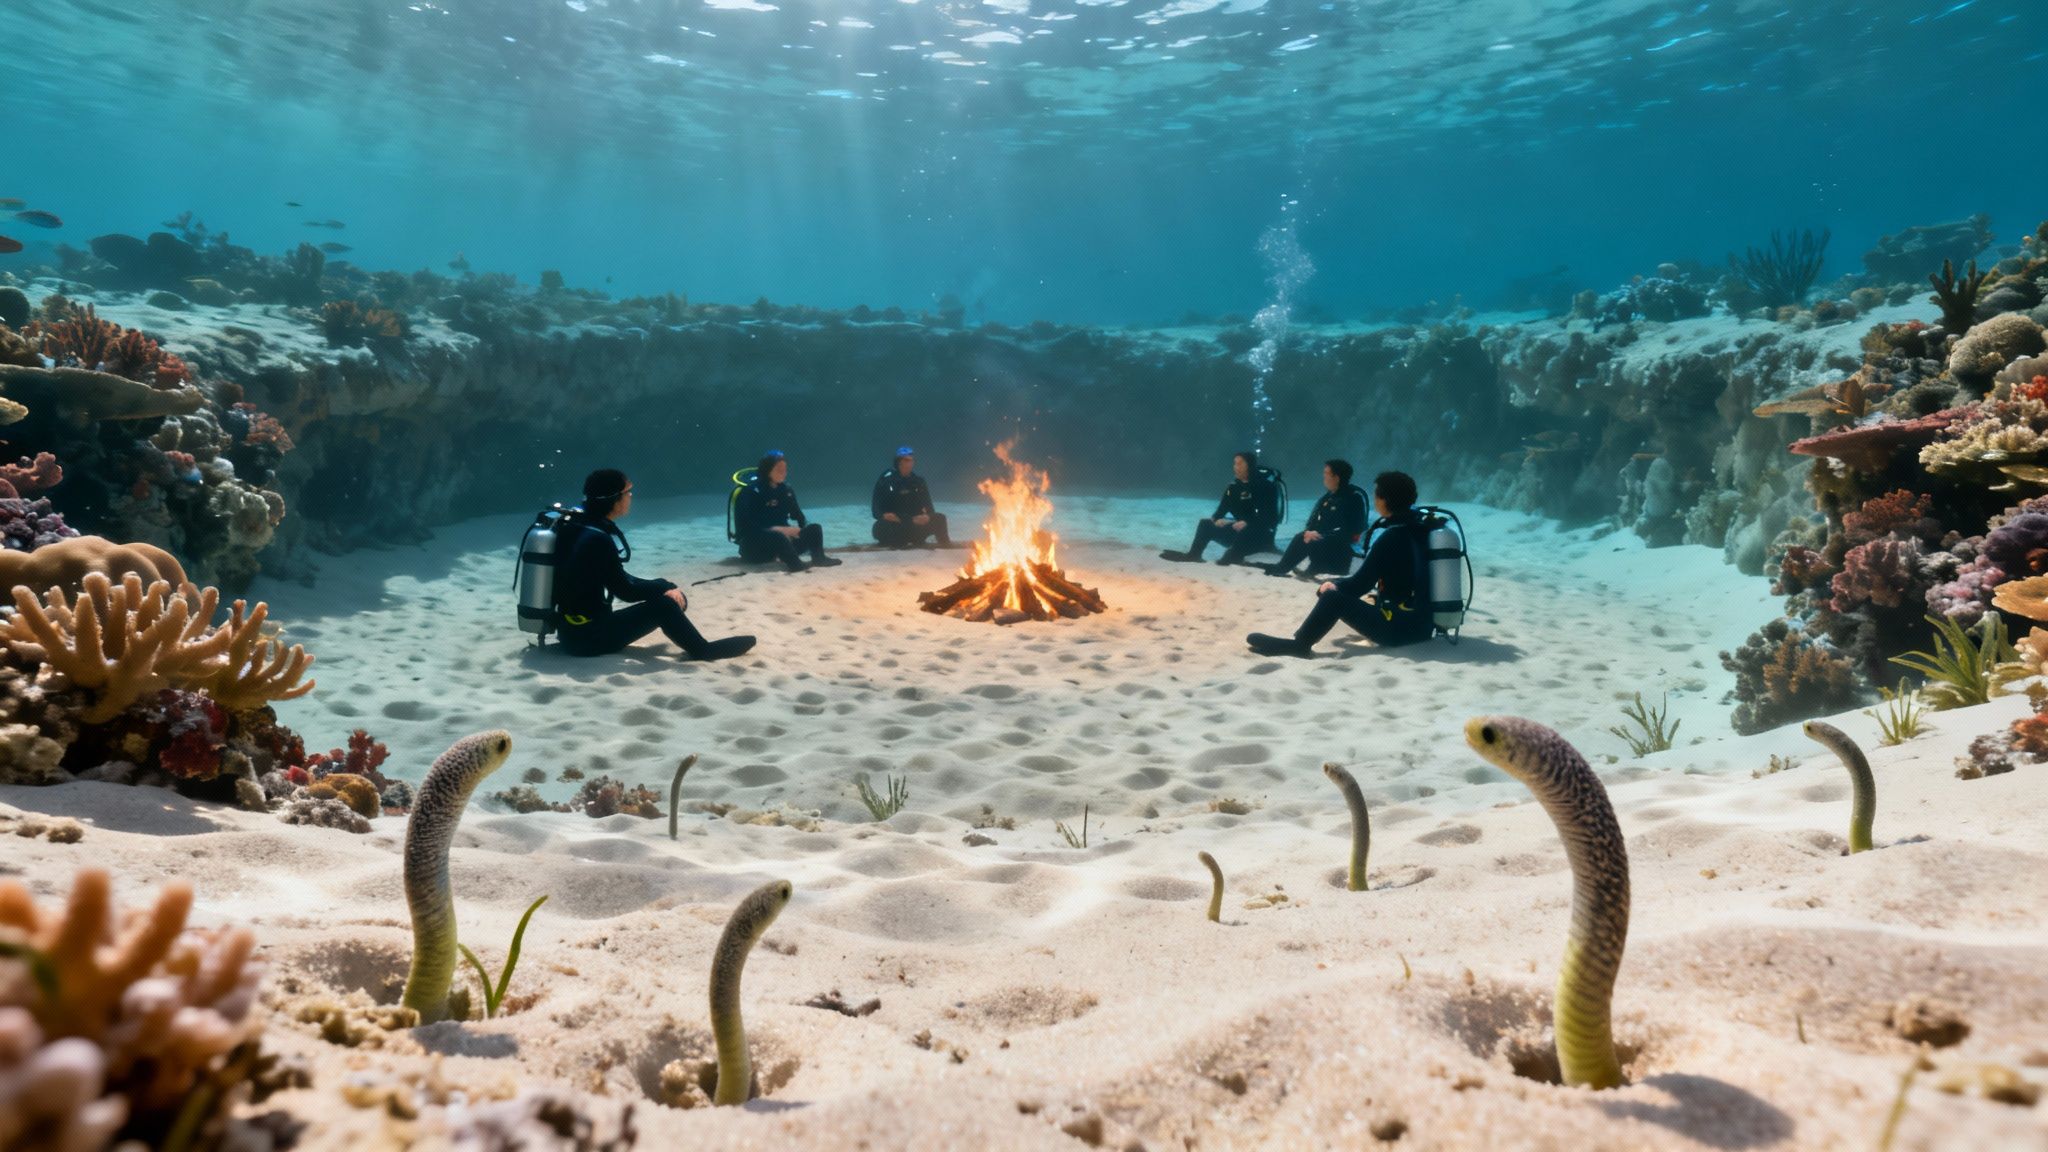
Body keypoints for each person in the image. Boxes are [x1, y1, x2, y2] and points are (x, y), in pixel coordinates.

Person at [554, 469, 756, 661]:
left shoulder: (575, 525)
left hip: (569, 633)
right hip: (588, 639)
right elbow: (626, 591)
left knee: (664, 598)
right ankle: (703, 650)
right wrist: (666, 587)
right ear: (614, 499)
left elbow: (620, 579)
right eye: (627, 491)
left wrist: (662, 585)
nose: (630, 496)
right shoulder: (597, 539)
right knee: (665, 606)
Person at [1246, 471, 1434, 656]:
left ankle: (1301, 644)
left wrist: (1332, 585)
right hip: (1424, 627)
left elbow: (1360, 585)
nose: (1375, 500)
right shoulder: (1423, 529)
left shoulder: (1392, 536)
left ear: (1385, 500)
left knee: (1331, 597)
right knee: (1362, 596)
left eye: (1377, 495)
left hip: (1399, 632)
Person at [1160, 451, 1281, 565]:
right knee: (1205, 524)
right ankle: (1193, 555)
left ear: (1249, 465)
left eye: (1239, 464)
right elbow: (1222, 508)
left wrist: (1247, 522)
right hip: (1239, 533)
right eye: (1234, 463)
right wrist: (1217, 518)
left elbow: (1270, 518)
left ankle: (1232, 557)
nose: (1235, 467)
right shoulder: (1233, 487)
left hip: (1260, 537)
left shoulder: (1266, 487)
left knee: (1231, 552)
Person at [734, 450, 842, 572]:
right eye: (779, 469)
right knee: (777, 535)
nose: (783, 473)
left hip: (783, 545)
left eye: (785, 469)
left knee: (815, 529)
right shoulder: (751, 492)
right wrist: (779, 530)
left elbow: (799, 517)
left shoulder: (786, 490)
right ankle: (796, 565)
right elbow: (746, 527)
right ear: (767, 470)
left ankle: (819, 558)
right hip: (755, 549)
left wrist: (800, 531)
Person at [1266, 459, 1366, 578]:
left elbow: (1352, 529)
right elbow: (1314, 520)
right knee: (1301, 537)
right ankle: (1283, 567)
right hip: (1322, 540)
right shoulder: (1328, 497)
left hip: (1340, 546)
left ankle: (1320, 568)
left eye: (1326, 473)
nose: (1323, 476)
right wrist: (1309, 531)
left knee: (1315, 539)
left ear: (1336, 477)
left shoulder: (1354, 498)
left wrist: (1323, 535)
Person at [872, 446, 951, 548]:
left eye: (912, 460)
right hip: (896, 524)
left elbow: (929, 507)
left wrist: (927, 517)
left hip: (915, 525)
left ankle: (946, 547)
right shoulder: (886, 481)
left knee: (940, 518)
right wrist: (885, 516)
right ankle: (897, 542)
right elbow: (876, 511)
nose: (910, 463)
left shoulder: (918, 482)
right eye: (907, 460)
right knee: (879, 527)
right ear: (899, 462)